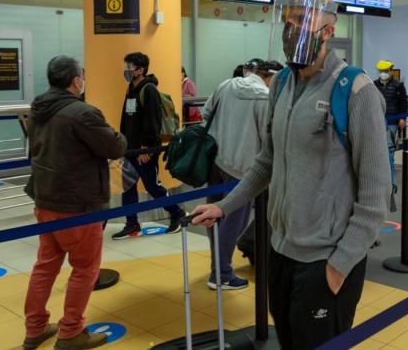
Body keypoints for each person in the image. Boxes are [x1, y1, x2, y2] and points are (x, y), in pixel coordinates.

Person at [189, 0, 389, 350]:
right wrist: (224, 206)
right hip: (279, 251)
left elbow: (376, 194)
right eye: (286, 19)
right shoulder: (280, 84)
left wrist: (340, 265)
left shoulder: (357, 91)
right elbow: (266, 160)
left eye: (300, 19)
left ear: (328, 31)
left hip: (326, 260)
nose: (290, 28)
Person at [22, 56, 127, 350]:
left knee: (45, 266)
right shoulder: (82, 113)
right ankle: (71, 332)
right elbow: (115, 146)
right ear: (76, 80)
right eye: (82, 76)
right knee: (85, 269)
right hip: (77, 204)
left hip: (45, 198)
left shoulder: (38, 108)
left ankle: (35, 328)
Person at [198, 58, 277, 290]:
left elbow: (206, 113)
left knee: (213, 216)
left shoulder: (226, 85)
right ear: (269, 77)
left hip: (216, 162)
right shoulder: (265, 98)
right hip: (243, 170)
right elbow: (269, 141)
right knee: (233, 223)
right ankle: (221, 274)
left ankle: (217, 267)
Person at [112, 52, 186, 240]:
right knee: (128, 187)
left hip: (145, 150)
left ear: (140, 70)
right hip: (130, 149)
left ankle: (177, 213)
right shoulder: (131, 88)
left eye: (129, 67)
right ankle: (132, 223)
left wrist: (147, 148)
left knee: (153, 186)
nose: (126, 70)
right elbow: (126, 119)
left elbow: (152, 122)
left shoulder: (149, 89)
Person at [374, 59, 408, 184]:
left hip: (392, 122)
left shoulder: (398, 85)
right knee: (377, 149)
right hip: (377, 121)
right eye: (381, 71)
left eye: (385, 70)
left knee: (389, 150)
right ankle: (378, 176)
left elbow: (404, 102)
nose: (383, 73)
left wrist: (403, 118)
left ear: (390, 71)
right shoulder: (374, 85)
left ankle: (390, 180)